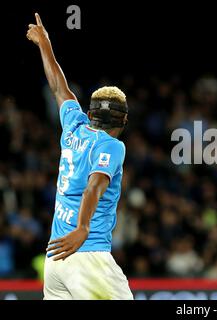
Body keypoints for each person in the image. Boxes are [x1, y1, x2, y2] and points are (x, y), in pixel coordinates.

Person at [27, 13, 133, 300]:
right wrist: (83, 228)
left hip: (56, 258)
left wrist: (44, 43)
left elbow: (59, 87)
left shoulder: (74, 125)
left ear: (89, 114)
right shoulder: (112, 146)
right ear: (123, 123)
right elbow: (94, 186)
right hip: (87, 254)